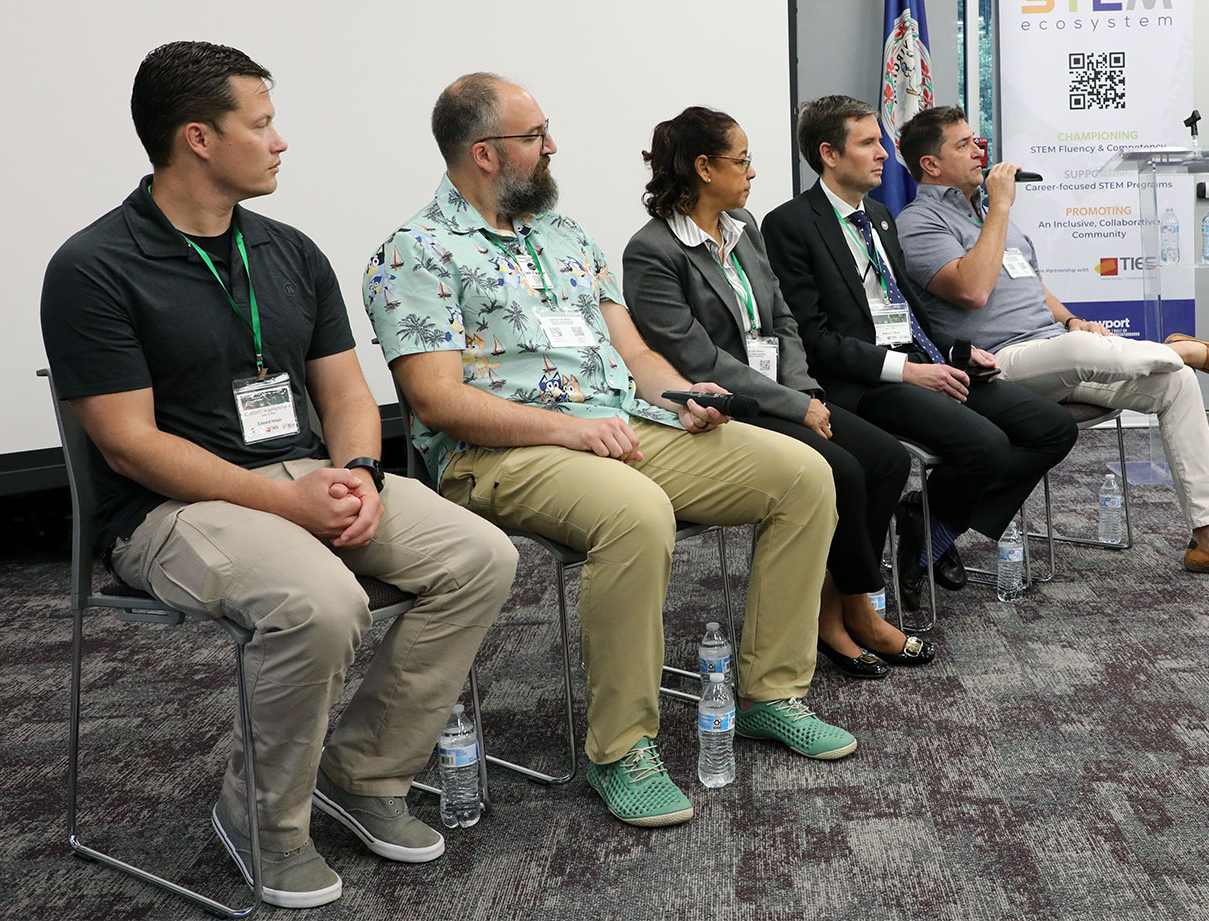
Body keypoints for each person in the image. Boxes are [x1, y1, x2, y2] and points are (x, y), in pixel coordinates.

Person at [39, 42, 519, 909]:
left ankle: (364, 770)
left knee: (480, 557)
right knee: (320, 601)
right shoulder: (95, 267)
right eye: (260, 124)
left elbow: (344, 390)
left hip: (305, 475)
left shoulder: (289, 251)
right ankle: (262, 818)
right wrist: (286, 498)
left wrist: (362, 475)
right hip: (169, 509)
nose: (280, 141)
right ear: (197, 138)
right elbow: (129, 445)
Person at [363, 74, 854, 830]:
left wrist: (677, 396)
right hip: (498, 451)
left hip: (619, 424)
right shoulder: (417, 251)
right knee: (637, 513)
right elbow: (436, 400)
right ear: (486, 153)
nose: (552, 146)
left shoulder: (566, 235)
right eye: (536, 136)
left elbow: (632, 351)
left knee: (800, 473)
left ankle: (769, 693)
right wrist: (570, 430)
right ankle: (620, 746)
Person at [892, 105, 1209, 582]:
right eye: (963, 145)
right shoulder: (918, 224)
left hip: (1052, 345)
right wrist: (1000, 206)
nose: (980, 150)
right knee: (1086, 353)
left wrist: (1073, 318)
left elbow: (1029, 282)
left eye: (977, 139)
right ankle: (1185, 348)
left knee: (1175, 383)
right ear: (930, 166)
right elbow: (974, 290)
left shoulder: (988, 215)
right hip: (998, 364)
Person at [623, 106, 933, 680]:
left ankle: (833, 606)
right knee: (843, 470)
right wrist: (795, 405)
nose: (753, 173)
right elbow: (698, 360)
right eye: (741, 161)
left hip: (787, 390)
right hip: (727, 408)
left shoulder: (743, 226)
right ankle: (857, 614)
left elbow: (783, 322)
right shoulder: (653, 252)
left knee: (887, 459)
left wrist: (805, 390)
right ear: (703, 168)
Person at [760, 96, 1079, 609]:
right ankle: (929, 534)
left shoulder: (881, 216)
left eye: (880, 141)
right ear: (830, 154)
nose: (885, 153)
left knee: (1052, 429)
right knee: (987, 446)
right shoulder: (789, 225)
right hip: (864, 381)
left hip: (922, 362)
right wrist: (906, 371)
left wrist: (956, 351)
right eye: (868, 143)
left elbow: (906, 308)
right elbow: (812, 340)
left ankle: (929, 524)